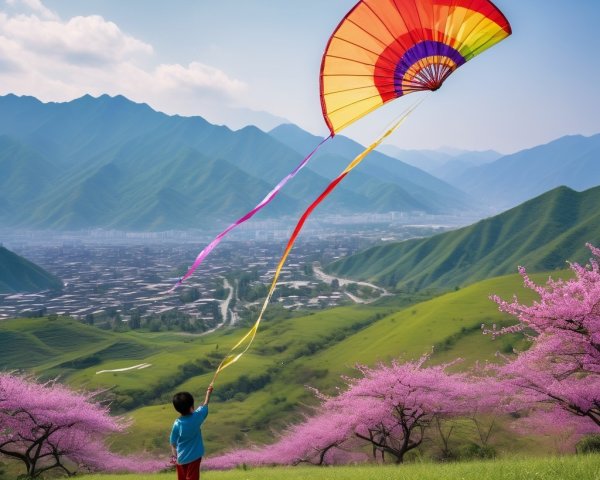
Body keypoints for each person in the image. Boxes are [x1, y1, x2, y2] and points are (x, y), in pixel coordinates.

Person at [169, 384, 214, 480]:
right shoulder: (197, 417)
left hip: (180, 459)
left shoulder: (177, 423)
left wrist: (174, 457)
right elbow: (205, 405)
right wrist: (208, 393)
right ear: (191, 406)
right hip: (194, 456)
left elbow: (173, 443)